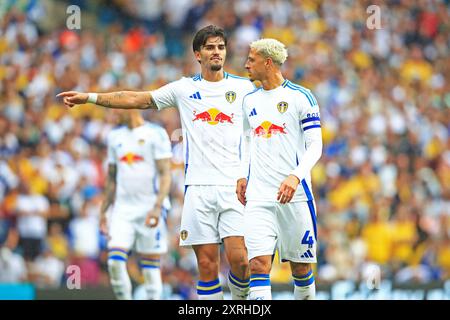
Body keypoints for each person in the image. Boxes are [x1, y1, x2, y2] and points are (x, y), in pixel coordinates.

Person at [57, 25, 254, 300]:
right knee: (207, 266)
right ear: (198, 54)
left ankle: (240, 301)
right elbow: (136, 98)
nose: (216, 52)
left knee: (241, 261)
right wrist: (90, 98)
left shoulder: (244, 89)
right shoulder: (184, 89)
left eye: (220, 47)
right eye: (210, 47)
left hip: (234, 187)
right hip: (198, 188)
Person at [236, 38, 323, 300]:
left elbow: (315, 146)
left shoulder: (301, 97)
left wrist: (295, 177)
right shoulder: (249, 100)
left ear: (268, 62)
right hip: (259, 197)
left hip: (295, 197)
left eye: (251, 60)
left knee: (301, 270)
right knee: (258, 266)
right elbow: (247, 140)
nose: (246, 65)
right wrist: (242, 174)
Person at [99, 108, 172, 300]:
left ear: (129, 107)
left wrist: (157, 207)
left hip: (150, 207)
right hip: (123, 209)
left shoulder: (156, 133)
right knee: (114, 262)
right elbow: (112, 177)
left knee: (150, 267)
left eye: (117, 108)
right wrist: (104, 210)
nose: (113, 114)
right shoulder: (114, 136)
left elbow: (165, 173)